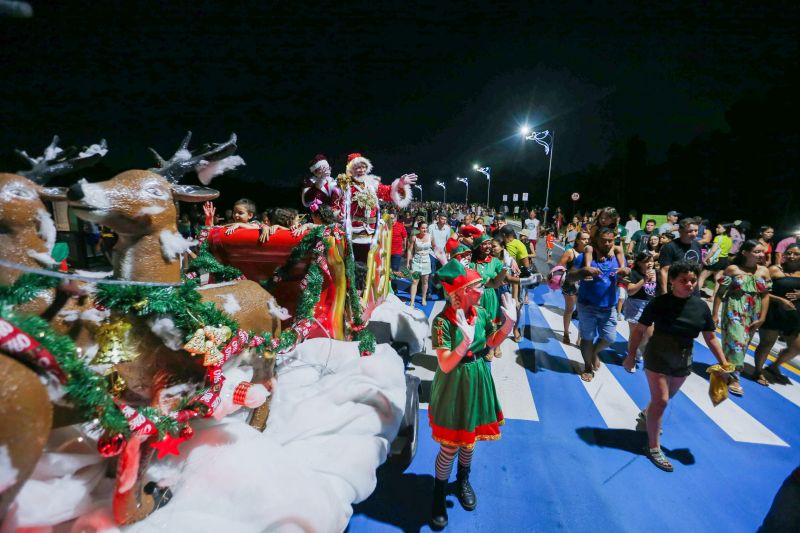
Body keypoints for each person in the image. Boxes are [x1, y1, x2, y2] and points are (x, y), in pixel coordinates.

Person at [428, 260, 517, 529]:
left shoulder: (478, 312)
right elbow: (444, 364)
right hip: (455, 382)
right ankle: (438, 493)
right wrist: (463, 343)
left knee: (470, 440)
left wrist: (507, 326)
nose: (482, 288)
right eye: (476, 285)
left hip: (478, 377)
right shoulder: (442, 322)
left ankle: (463, 479)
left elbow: (490, 342)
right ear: (462, 291)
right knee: (450, 444)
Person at [623, 261, 731, 472]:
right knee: (661, 401)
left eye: (692, 280)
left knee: (664, 398)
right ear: (671, 280)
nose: (690, 284)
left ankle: (648, 413)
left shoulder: (700, 306)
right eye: (683, 280)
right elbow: (639, 330)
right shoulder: (659, 303)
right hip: (657, 356)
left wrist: (724, 363)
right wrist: (630, 355)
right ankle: (653, 447)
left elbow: (711, 338)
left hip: (683, 359)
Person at [567, 227, 626, 382]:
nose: (607, 243)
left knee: (609, 338)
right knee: (587, 338)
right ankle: (587, 367)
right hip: (587, 305)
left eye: (610, 240)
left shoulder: (617, 256)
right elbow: (570, 277)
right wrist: (584, 271)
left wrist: (626, 275)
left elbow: (626, 275)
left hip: (609, 307)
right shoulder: (586, 256)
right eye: (603, 240)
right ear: (596, 240)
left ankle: (593, 352)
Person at [712, 240, 771, 396]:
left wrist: (762, 317)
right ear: (745, 252)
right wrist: (714, 314)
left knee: (743, 344)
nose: (761, 254)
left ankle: (725, 367)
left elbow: (765, 296)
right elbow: (720, 292)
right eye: (757, 251)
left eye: (761, 251)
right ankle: (734, 378)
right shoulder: (733, 269)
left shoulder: (764, 271)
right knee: (737, 341)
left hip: (753, 311)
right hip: (734, 309)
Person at [752, 243, 800, 385]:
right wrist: (780, 300)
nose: (791, 256)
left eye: (796, 254)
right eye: (789, 253)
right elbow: (758, 289)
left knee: (797, 347)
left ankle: (774, 366)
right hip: (773, 312)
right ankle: (758, 371)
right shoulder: (774, 270)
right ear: (784, 254)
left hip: (794, 315)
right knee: (766, 344)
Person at [341, 152, 416, 240]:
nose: (362, 170)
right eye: (358, 167)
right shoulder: (344, 185)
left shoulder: (373, 184)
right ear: (351, 169)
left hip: (373, 233)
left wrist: (400, 184)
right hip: (353, 232)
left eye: (363, 167)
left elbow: (388, 192)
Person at [470, 235, 507, 358]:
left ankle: (495, 346)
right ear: (477, 246)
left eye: (489, 244)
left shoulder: (495, 261)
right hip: (476, 295)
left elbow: (505, 276)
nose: (488, 246)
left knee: (493, 322)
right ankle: (483, 343)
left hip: (490, 294)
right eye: (484, 244)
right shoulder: (471, 261)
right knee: (478, 321)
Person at [622, 251, 658, 371]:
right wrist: (645, 279)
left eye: (651, 260)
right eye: (646, 261)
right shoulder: (634, 273)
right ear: (639, 263)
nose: (650, 263)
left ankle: (637, 351)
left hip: (650, 306)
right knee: (635, 334)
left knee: (649, 334)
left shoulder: (655, 273)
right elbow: (630, 291)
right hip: (635, 304)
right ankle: (631, 358)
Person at [556, 231, 589, 344]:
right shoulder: (570, 252)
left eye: (588, 239)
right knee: (569, 309)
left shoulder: (590, 253)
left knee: (582, 312)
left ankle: (580, 338)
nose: (586, 241)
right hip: (571, 285)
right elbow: (559, 266)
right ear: (578, 240)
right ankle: (566, 333)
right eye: (584, 239)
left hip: (585, 284)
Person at [657, 218, 703, 295]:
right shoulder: (670, 247)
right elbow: (664, 271)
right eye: (690, 231)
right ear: (680, 231)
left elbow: (698, 267)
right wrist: (664, 292)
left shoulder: (697, 245)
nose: (694, 234)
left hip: (692, 290)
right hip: (675, 289)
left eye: (696, 230)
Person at [697, 222, 733, 296]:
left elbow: (713, 250)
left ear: (725, 229)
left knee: (702, 277)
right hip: (724, 260)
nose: (717, 229)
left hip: (715, 260)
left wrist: (705, 259)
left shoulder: (718, 238)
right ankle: (713, 297)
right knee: (718, 279)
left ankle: (695, 294)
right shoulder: (730, 239)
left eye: (719, 227)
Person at [407, 221, 432, 307]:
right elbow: (410, 250)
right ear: (419, 229)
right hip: (416, 261)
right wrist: (408, 262)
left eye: (426, 228)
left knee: (425, 281)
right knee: (415, 281)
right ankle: (412, 301)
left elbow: (436, 249)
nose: (424, 229)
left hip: (426, 260)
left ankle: (423, 298)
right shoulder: (414, 237)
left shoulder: (430, 237)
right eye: (422, 228)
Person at [388, 210, 408, 291]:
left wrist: (404, 247)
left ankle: (394, 288)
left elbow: (405, 237)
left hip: (397, 252)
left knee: (395, 269)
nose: (391, 220)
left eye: (392, 218)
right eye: (389, 218)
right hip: (386, 251)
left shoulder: (400, 226)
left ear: (396, 218)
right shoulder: (385, 226)